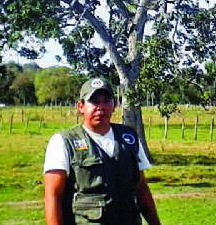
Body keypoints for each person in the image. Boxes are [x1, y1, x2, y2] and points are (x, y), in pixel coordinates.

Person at [43, 77, 162, 225]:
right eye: (94, 101)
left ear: (114, 105)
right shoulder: (64, 141)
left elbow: (141, 189)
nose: (101, 107)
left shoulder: (128, 138)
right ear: (81, 107)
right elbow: (53, 196)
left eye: (106, 101)